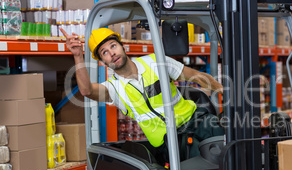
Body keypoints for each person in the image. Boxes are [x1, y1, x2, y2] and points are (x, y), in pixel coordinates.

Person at [60, 27, 224, 163]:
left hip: (195, 119)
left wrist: (223, 90)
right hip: (170, 141)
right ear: (103, 62)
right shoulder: (114, 89)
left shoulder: (156, 62)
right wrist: (77, 56)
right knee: (203, 164)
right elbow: (86, 91)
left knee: (226, 142)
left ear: (122, 47)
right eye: (104, 52)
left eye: (113, 46)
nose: (112, 53)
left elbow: (196, 76)